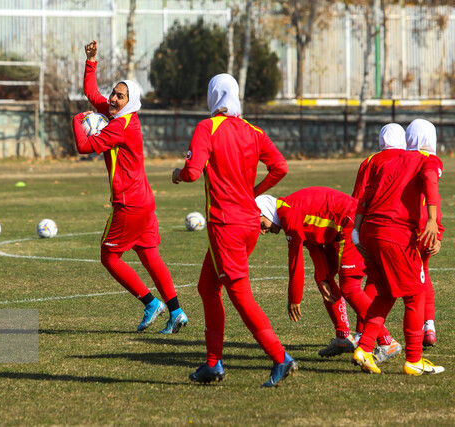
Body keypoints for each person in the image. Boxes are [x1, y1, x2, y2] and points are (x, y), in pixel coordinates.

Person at [172, 73, 296, 387]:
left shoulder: (207, 127)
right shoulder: (253, 131)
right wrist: (254, 192)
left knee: (240, 296)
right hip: (249, 223)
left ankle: (281, 357)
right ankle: (213, 363)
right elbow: (280, 167)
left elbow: (191, 172)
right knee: (206, 287)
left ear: (213, 96)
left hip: (225, 226)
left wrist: (177, 173)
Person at [71, 40, 188, 334]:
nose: (112, 98)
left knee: (109, 257)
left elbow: (84, 146)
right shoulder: (121, 117)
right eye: (113, 92)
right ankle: (177, 312)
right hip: (144, 201)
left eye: (119, 96)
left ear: (131, 101)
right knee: (149, 256)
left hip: (129, 204)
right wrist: (91, 60)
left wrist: (77, 120)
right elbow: (91, 93)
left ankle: (151, 303)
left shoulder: (119, 127)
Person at [255, 189, 401, 364]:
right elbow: (313, 244)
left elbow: (295, 259)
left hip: (351, 224)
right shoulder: (286, 212)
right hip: (338, 231)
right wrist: (322, 276)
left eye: (261, 224)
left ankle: (387, 341)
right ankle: (343, 338)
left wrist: (294, 297)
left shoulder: (287, 212)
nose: (262, 231)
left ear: (266, 211)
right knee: (325, 283)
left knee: (350, 288)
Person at [351, 122, 444, 375]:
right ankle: (414, 360)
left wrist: (356, 232)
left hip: (370, 231)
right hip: (395, 234)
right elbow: (429, 181)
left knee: (385, 293)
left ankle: (364, 347)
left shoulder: (386, 159)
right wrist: (435, 221)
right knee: (415, 294)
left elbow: (363, 194)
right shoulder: (428, 160)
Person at [405, 119, 444, 348]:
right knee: (423, 274)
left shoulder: (400, 158)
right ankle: (428, 326)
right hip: (425, 228)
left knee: (381, 282)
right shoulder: (431, 160)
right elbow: (433, 193)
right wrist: (437, 230)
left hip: (401, 227)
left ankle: (366, 335)